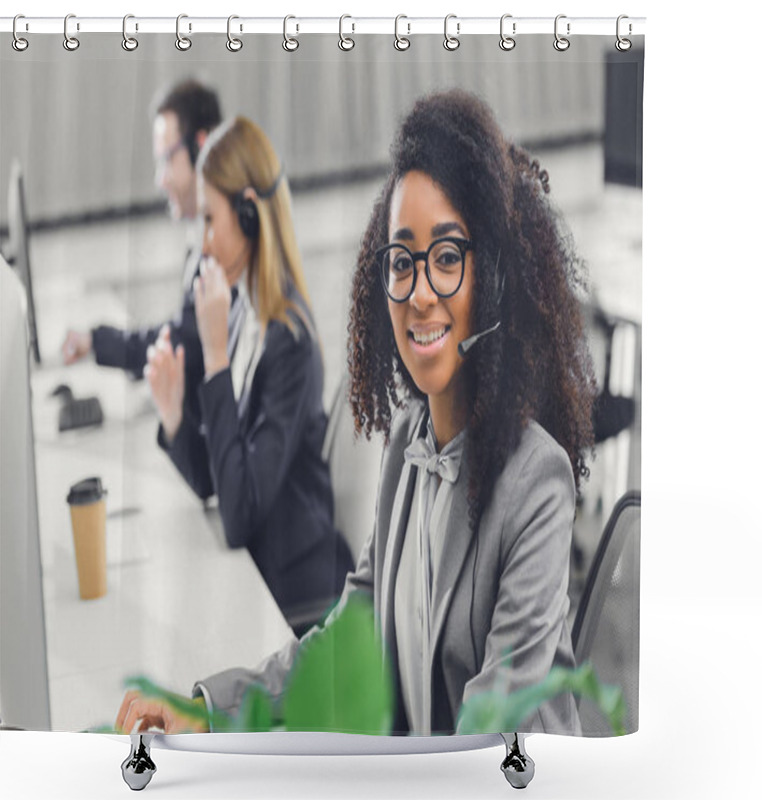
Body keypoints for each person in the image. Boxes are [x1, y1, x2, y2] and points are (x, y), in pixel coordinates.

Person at [116, 89, 596, 737]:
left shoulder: (534, 480)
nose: (421, 292)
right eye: (402, 262)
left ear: (496, 281)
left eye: (449, 258)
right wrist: (208, 708)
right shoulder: (408, 441)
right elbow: (351, 629)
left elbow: (488, 735)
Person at [144, 116, 352, 634]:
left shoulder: (289, 341)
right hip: (262, 573)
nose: (205, 244)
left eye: (211, 220)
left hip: (300, 600)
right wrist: (173, 418)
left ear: (250, 216)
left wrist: (215, 358)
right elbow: (221, 477)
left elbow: (239, 518)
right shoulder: (243, 312)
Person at [60, 79, 222, 407]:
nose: (159, 179)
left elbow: (183, 342)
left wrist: (99, 342)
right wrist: (97, 341)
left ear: (200, 147)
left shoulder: (224, 244)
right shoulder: (202, 236)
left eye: (167, 159)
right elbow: (184, 334)